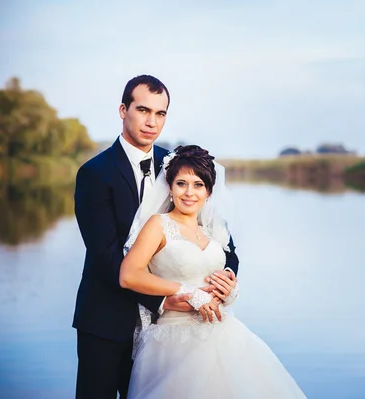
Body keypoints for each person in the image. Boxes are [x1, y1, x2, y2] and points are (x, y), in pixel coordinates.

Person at [72, 75, 239, 399]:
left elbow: (221, 239)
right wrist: (165, 299)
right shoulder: (94, 174)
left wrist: (227, 277)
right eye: (143, 110)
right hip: (108, 320)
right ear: (123, 110)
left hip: (174, 333)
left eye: (161, 113)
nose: (152, 122)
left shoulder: (178, 166)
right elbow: (105, 254)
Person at [119, 145, 306, 398]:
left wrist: (229, 289)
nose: (189, 193)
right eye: (181, 183)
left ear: (208, 192)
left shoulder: (211, 231)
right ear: (170, 188)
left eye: (198, 185)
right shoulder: (158, 224)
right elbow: (129, 275)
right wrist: (186, 292)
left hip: (223, 335)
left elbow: (221, 273)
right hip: (174, 340)